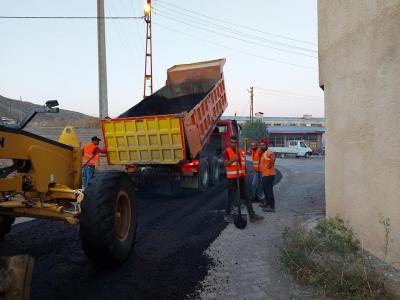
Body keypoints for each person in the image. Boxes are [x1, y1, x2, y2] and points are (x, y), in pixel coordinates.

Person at [223, 135, 264, 222]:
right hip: (231, 179)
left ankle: (252, 216)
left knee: (247, 196)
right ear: (230, 142)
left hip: (241, 178)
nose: (233, 144)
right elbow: (226, 164)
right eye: (232, 142)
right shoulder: (227, 151)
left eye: (235, 142)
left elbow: (243, 163)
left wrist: (246, 171)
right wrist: (233, 159)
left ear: (237, 143)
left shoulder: (240, 151)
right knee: (230, 197)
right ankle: (227, 215)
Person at [259, 138, 276, 212]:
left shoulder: (269, 152)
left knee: (269, 191)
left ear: (266, 145)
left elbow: (273, 158)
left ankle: (272, 207)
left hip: (269, 175)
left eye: (263, 145)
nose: (262, 146)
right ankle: (267, 203)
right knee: (265, 190)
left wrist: (270, 165)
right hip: (265, 174)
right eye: (261, 145)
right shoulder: (264, 153)